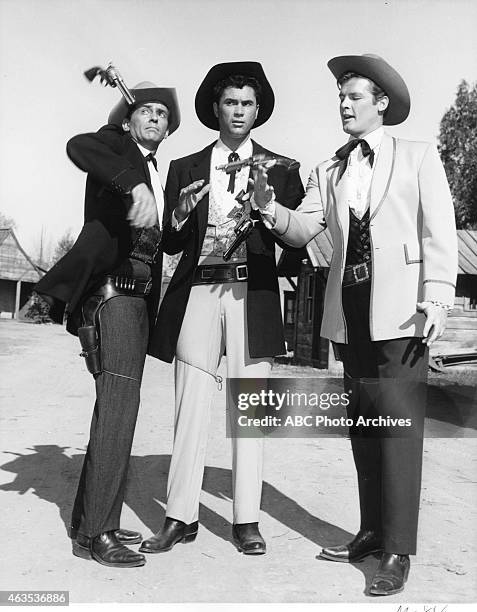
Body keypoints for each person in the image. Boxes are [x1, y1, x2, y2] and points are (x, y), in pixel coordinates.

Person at [252, 54, 457, 595]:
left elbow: (440, 228)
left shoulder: (418, 156)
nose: (343, 106)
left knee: (399, 433)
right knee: (365, 428)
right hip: (351, 312)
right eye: (340, 99)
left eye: (354, 98)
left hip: (403, 312)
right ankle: (370, 531)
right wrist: (270, 208)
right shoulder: (331, 167)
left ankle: (397, 549)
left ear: (381, 104)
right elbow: (303, 231)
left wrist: (438, 296)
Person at [139, 61, 304, 556]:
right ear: (215, 109)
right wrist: (181, 213)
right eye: (230, 102)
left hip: (251, 297)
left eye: (246, 104)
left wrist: (269, 216)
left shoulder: (283, 168)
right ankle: (179, 515)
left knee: (249, 407)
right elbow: (168, 241)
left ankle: (246, 520)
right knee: (190, 401)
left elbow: (296, 242)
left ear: (258, 111)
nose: (238, 111)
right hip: (198, 294)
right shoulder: (184, 167)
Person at [34, 81, 180, 568]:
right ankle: (98, 533)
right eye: (148, 112)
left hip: (140, 300)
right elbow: (78, 146)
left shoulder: (159, 172)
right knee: (118, 404)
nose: (156, 119)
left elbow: (163, 241)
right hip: (111, 294)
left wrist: (171, 210)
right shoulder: (116, 147)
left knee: (122, 406)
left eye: (163, 114)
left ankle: (91, 525)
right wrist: (132, 183)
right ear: (129, 119)